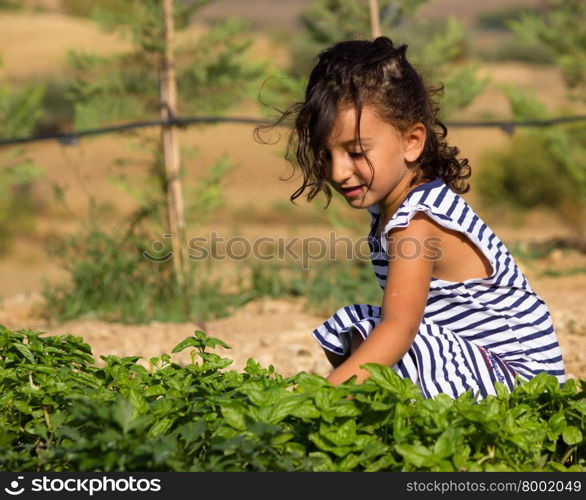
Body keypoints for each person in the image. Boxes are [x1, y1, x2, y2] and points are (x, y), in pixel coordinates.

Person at [262, 37, 566, 400]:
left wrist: (312, 402)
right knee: (357, 327)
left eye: (356, 152)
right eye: (327, 155)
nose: (339, 172)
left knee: (383, 334)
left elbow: (400, 328)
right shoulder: (401, 205)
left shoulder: (416, 224)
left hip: (522, 384)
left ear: (412, 142)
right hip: (489, 368)